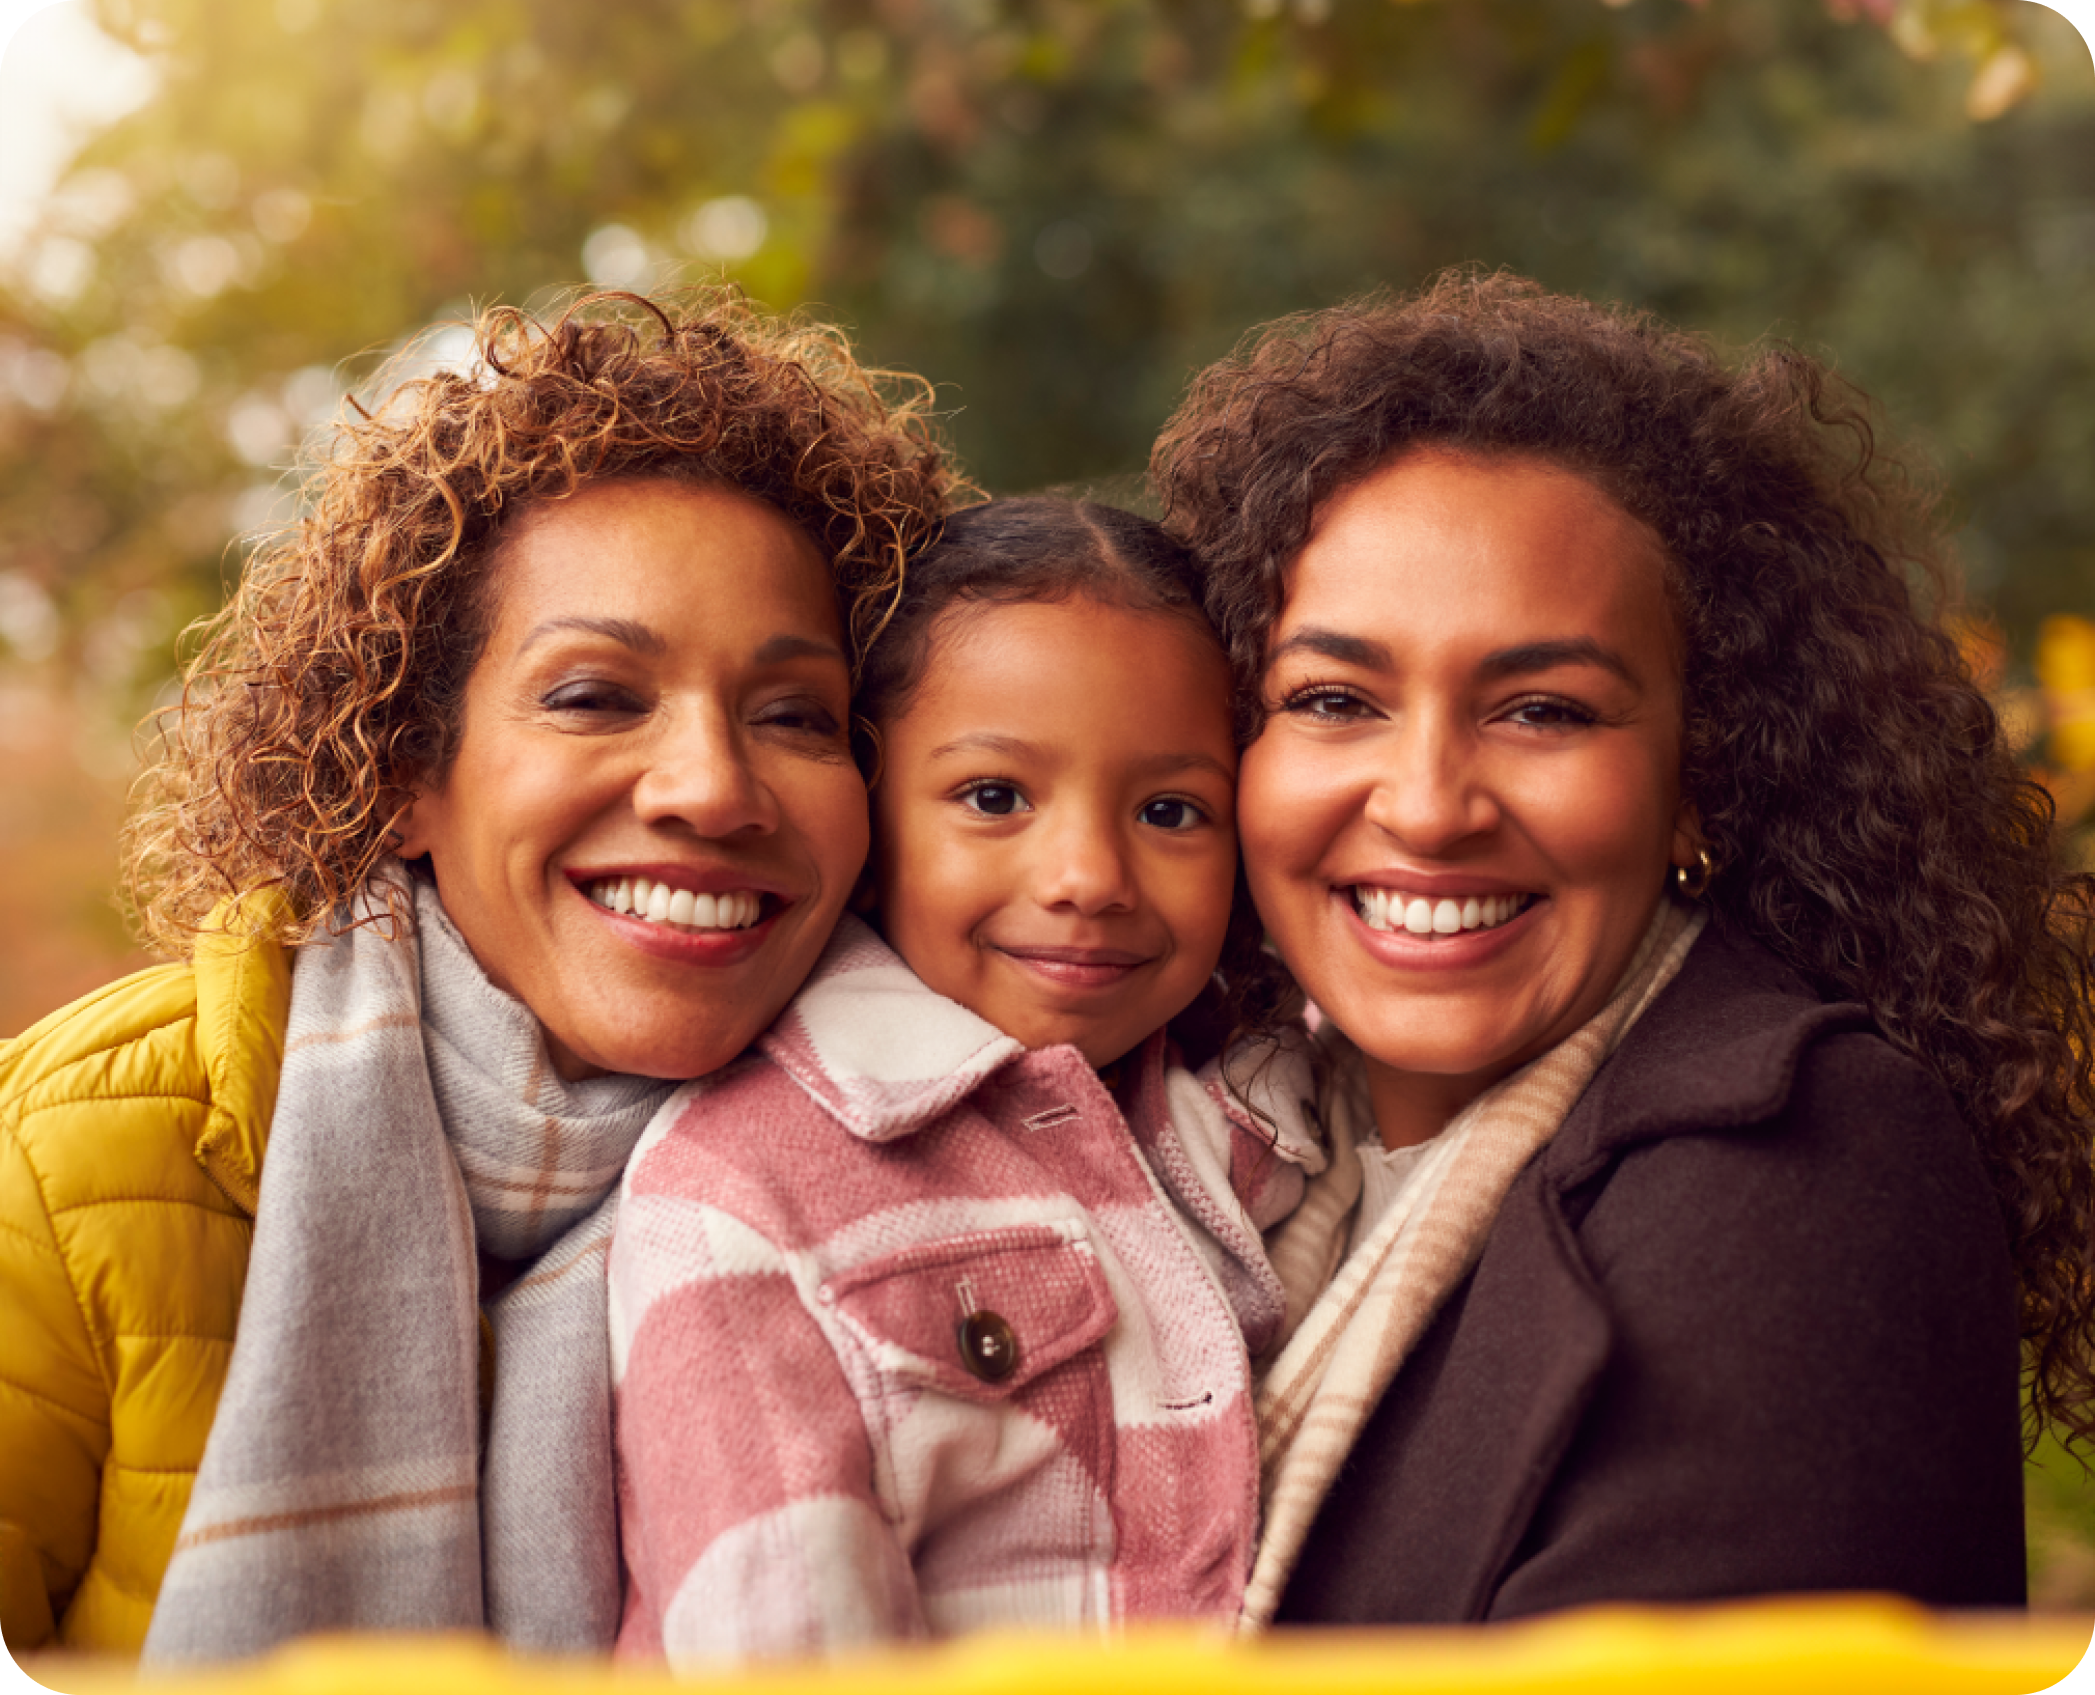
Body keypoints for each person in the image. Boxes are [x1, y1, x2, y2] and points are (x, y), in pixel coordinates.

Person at [0, 288, 957, 1660]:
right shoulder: (60, 1159)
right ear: (403, 769)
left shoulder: (969, 1165)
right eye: (594, 695)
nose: (709, 785)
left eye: (795, 714)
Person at [1148, 270, 2095, 1624]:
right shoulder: (1212, 1149)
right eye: (1334, 698)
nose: (1425, 804)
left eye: (1541, 709)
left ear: (1698, 776)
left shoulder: (1802, 1161)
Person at [608, 498, 1321, 1665]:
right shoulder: (733, 1194)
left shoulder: (1248, 1105)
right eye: (995, 798)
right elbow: (777, 1642)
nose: (1088, 876)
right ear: (868, 823)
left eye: (1169, 811)